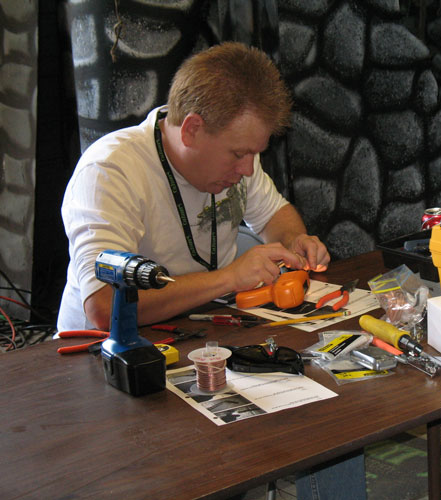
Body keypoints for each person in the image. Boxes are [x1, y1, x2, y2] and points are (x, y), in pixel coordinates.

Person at [57, 42, 366, 500]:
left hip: (198, 337)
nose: (247, 169)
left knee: (328, 409)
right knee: (200, 467)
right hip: (107, 360)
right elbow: (103, 307)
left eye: (254, 154)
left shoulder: (236, 158)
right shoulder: (111, 171)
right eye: (238, 154)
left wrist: (294, 240)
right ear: (192, 129)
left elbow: (274, 213)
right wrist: (229, 278)